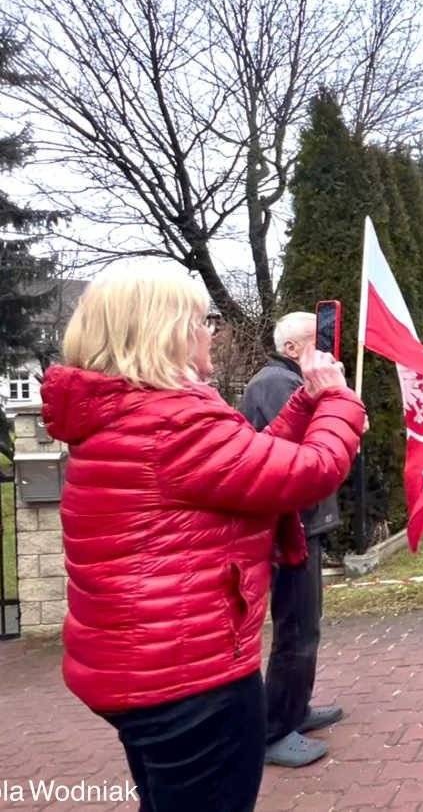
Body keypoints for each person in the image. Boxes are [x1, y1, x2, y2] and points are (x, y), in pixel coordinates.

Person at [41, 266, 366, 812]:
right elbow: (308, 470)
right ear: (165, 330)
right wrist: (338, 399)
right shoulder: (171, 420)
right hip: (187, 677)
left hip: (140, 665)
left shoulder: (129, 413)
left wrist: (308, 402)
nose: (211, 331)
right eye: (202, 320)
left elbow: (248, 461)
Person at [240, 312, 345, 768]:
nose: (327, 350)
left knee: (307, 626)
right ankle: (274, 729)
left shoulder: (284, 379)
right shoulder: (275, 385)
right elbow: (304, 447)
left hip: (303, 524)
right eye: (316, 342)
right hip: (288, 531)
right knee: (296, 631)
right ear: (290, 349)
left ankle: (295, 709)